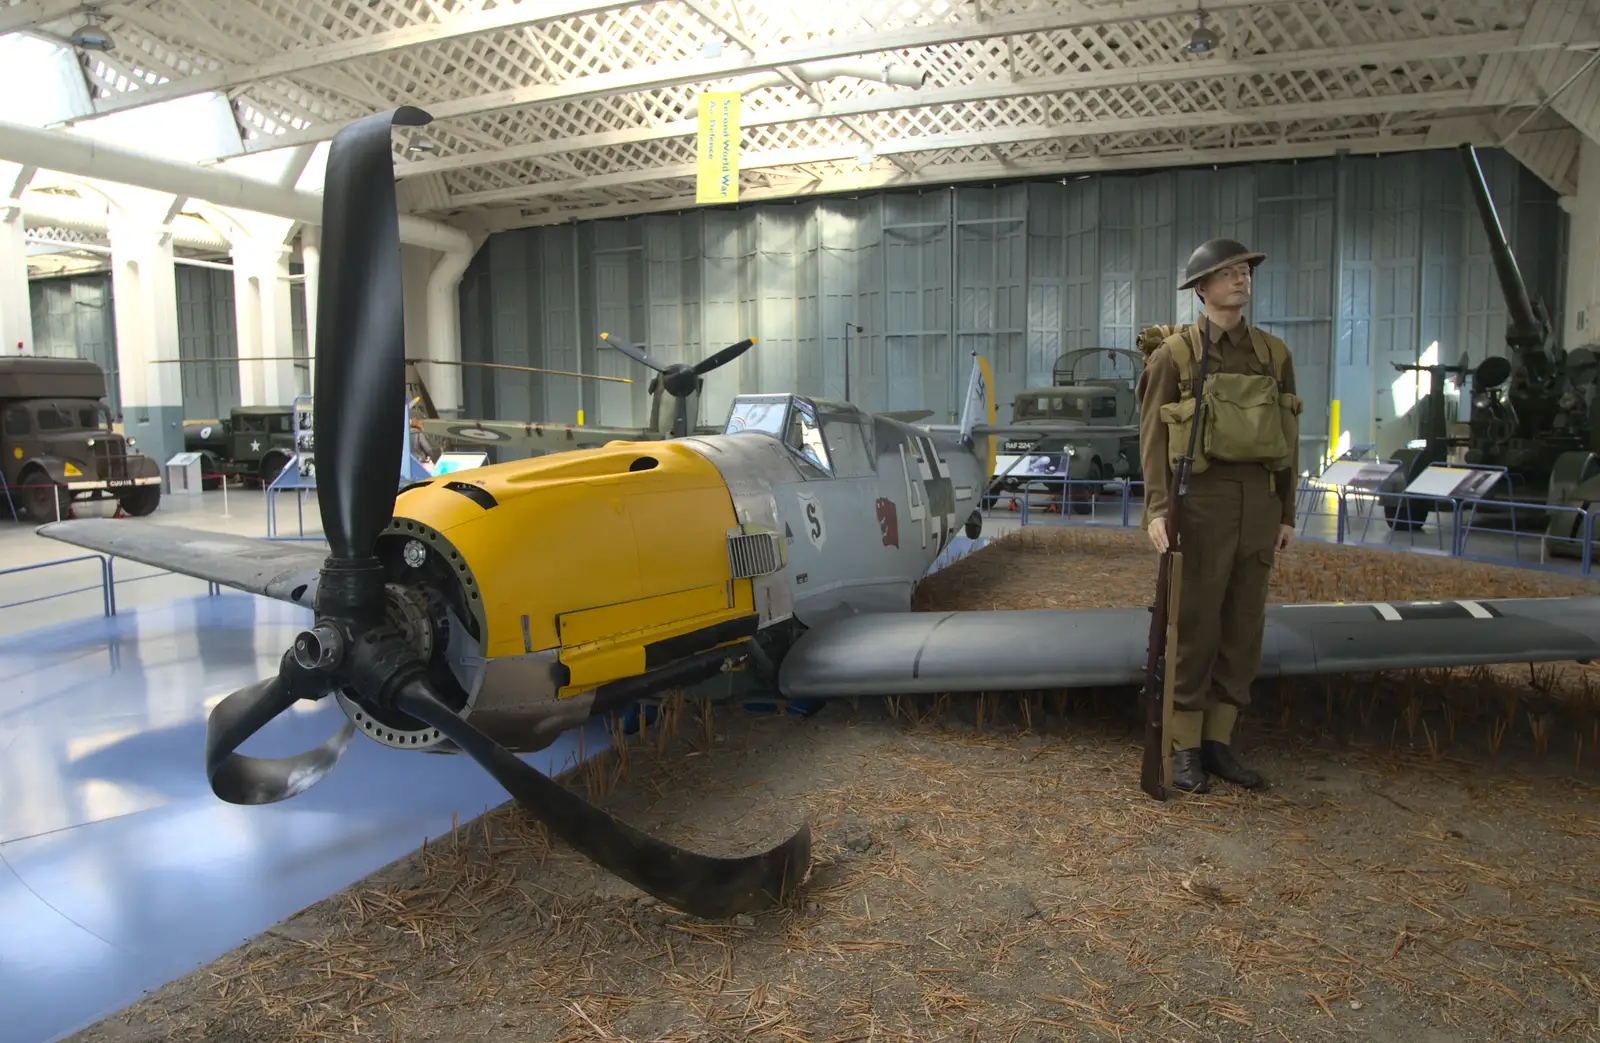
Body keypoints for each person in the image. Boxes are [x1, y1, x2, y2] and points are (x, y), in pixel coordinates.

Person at [1136, 238, 1303, 793]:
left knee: (1243, 628)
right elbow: (1153, 439)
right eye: (1227, 274)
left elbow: (1289, 434)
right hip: (1199, 503)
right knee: (1195, 626)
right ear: (1202, 289)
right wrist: (1158, 508)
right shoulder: (1175, 356)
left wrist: (1287, 509)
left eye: (1245, 271)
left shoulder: (1274, 355)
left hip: (1257, 501)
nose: (1240, 279)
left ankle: (1220, 742)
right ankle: (1183, 746)